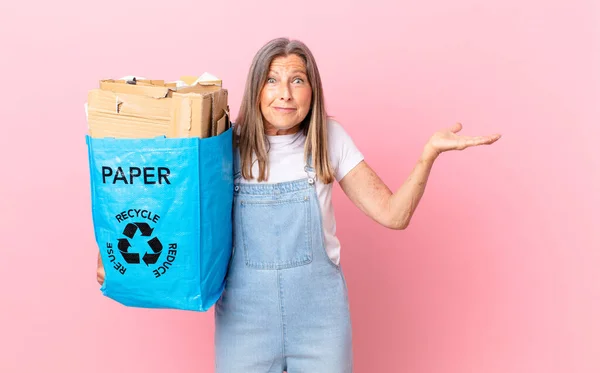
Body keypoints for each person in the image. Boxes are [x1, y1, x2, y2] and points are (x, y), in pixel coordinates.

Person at [96, 37, 501, 372]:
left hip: (321, 321)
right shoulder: (226, 145)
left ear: (313, 90)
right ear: (256, 88)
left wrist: (427, 155)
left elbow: (394, 215)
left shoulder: (330, 138)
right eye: (272, 80)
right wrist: (114, 254)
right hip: (244, 320)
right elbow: (170, 204)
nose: (284, 93)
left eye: (297, 80)